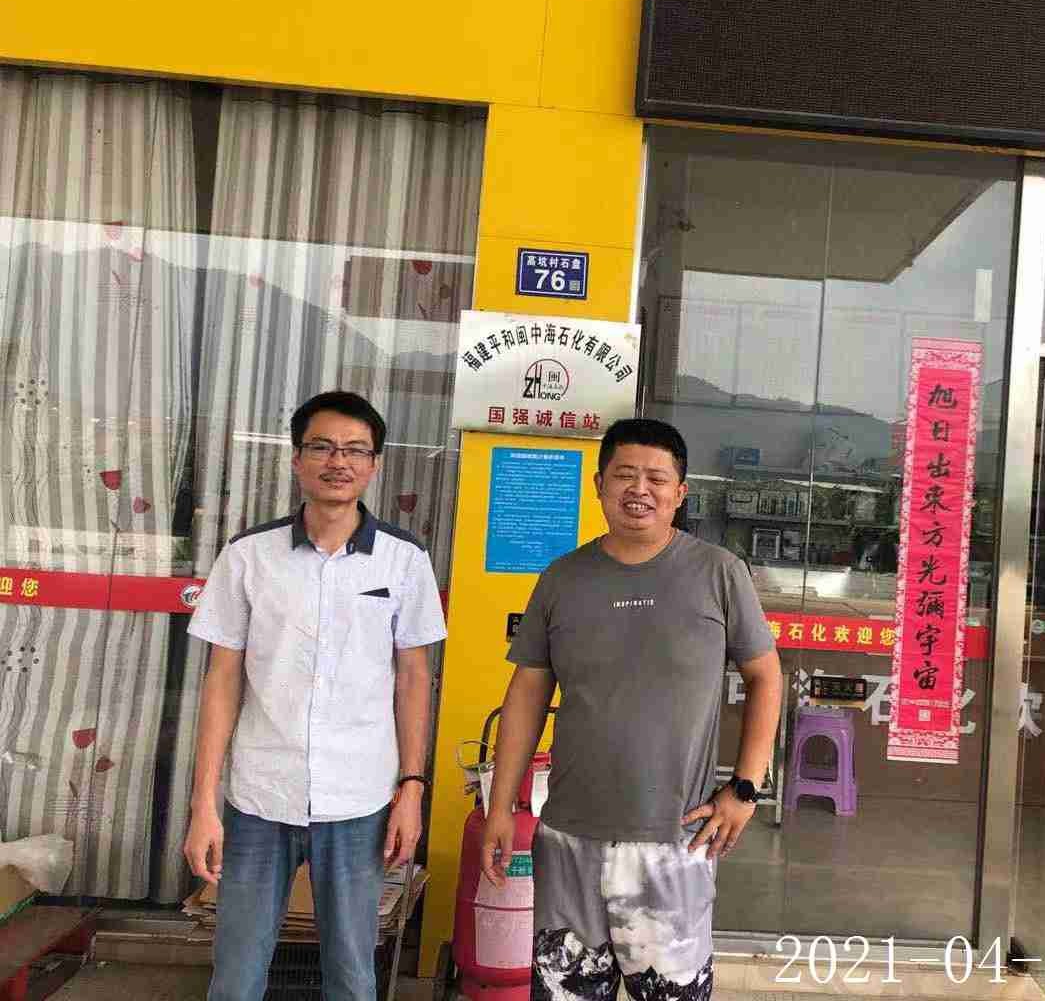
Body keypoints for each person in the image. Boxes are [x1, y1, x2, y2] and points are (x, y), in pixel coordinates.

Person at [483, 418, 783, 1001]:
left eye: (656, 478)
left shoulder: (719, 572)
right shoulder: (563, 578)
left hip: (675, 841)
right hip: (569, 838)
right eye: (624, 475)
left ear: (680, 492)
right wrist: (501, 806)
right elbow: (527, 693)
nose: (639, 489)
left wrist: (745, 789)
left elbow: (765, 675)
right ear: (599, 485)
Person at [183, 390, 448, 1001]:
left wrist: (412, 789)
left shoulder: (404, 561)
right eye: (323, 447)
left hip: (360, 800)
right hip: (259, 796)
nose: (339, 461)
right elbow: (222, 679)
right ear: (297, 459)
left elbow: (414, 679)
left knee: (352, 975)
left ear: (375, 464)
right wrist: (203, 803)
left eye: (355, 450)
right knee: (236, 973)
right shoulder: (249, 556)